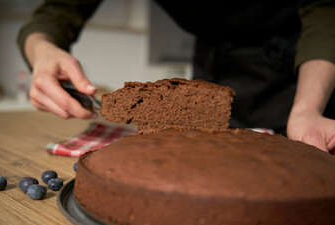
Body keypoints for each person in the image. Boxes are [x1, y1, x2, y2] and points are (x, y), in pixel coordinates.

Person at [17, 0, 335, 153]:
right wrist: (42, 50)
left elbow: (325, 12)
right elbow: (57, 11)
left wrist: (308, 109)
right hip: (211, 65)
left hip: (302, 68)